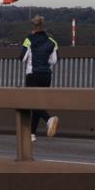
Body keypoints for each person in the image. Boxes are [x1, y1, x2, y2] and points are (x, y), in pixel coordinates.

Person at [21, 15, 59, 143]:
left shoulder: (29, 39)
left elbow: (22, 57)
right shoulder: (52, 41)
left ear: (33, 27)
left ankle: (49, 119)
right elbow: (53, 61)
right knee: (38, 103)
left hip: (32, 74)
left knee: (32, 103)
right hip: (46, 76)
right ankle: (32, 133)